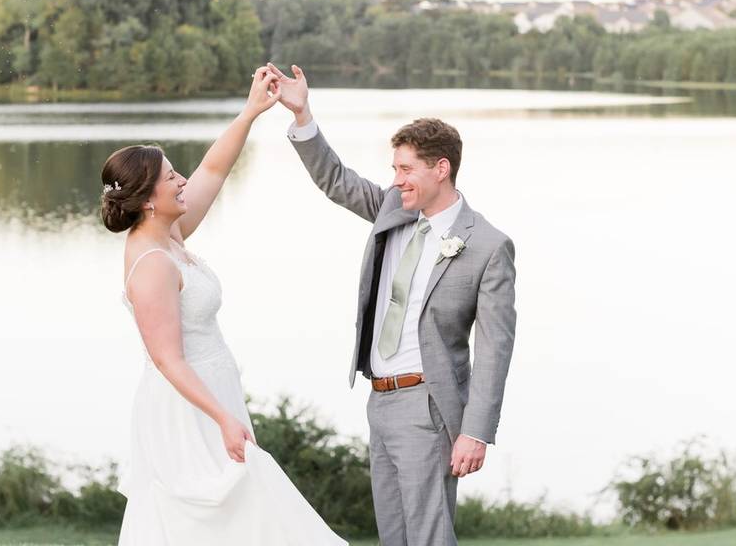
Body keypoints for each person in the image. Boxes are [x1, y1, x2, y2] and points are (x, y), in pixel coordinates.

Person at [269, 62, 517, 546]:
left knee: (427, 536)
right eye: (395, 169)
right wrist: (302, 114)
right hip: (379, 400)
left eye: (406, 169)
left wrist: (475, 432)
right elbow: (335, 180)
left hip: (428, 405)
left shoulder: (487, 246)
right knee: (394, 536)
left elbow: (495, 348)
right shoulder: (394, 208)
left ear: (440, 169)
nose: (397, 179)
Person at [103, 66, 346, 545]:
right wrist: (222, 417)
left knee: (241, 518)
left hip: (212, 392)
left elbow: (213, 168)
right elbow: (167, 358)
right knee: (225, 514)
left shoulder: (167, 234)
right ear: (148, 199)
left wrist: (252, 111)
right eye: (171, 176)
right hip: (188, 407)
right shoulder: (152, 262)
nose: (180, 181)